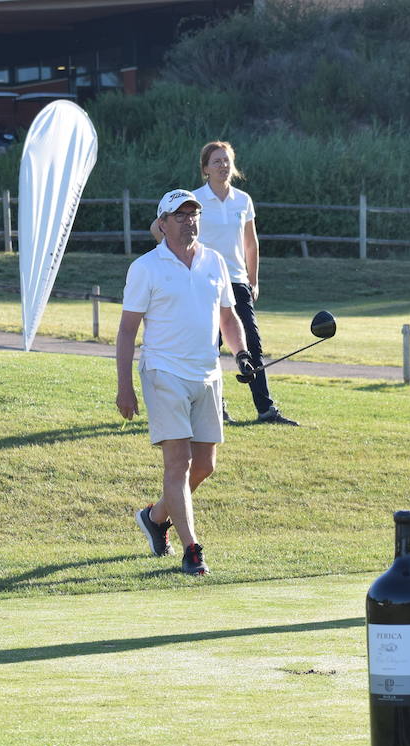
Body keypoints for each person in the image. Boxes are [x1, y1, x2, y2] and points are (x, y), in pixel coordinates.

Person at [120, 189, 255, 576]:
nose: (188, 220)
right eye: (179, 215)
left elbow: (228, 320)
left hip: (207, 372)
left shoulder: (214, 261)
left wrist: (241, 353)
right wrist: (124, 386)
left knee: (205, 465)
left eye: (192, 214)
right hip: (164, 372)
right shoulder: (146, 267)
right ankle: (191, 549)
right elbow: (127, 331)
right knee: (178, 464)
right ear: (162, 224)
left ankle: (155, 515)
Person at [151, 141, 296, 425]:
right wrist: (181, 259)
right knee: (209, 345)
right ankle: (216, 406)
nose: (222, 166)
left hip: (237, 281)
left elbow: (250, 243)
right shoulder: (193, 200)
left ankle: (266, 409)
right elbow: (158, 227)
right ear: (205, 168)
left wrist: (253, 279)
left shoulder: (243, 200)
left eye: (226, 160)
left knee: (250, 343)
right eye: (216, 161)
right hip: (205, 279)